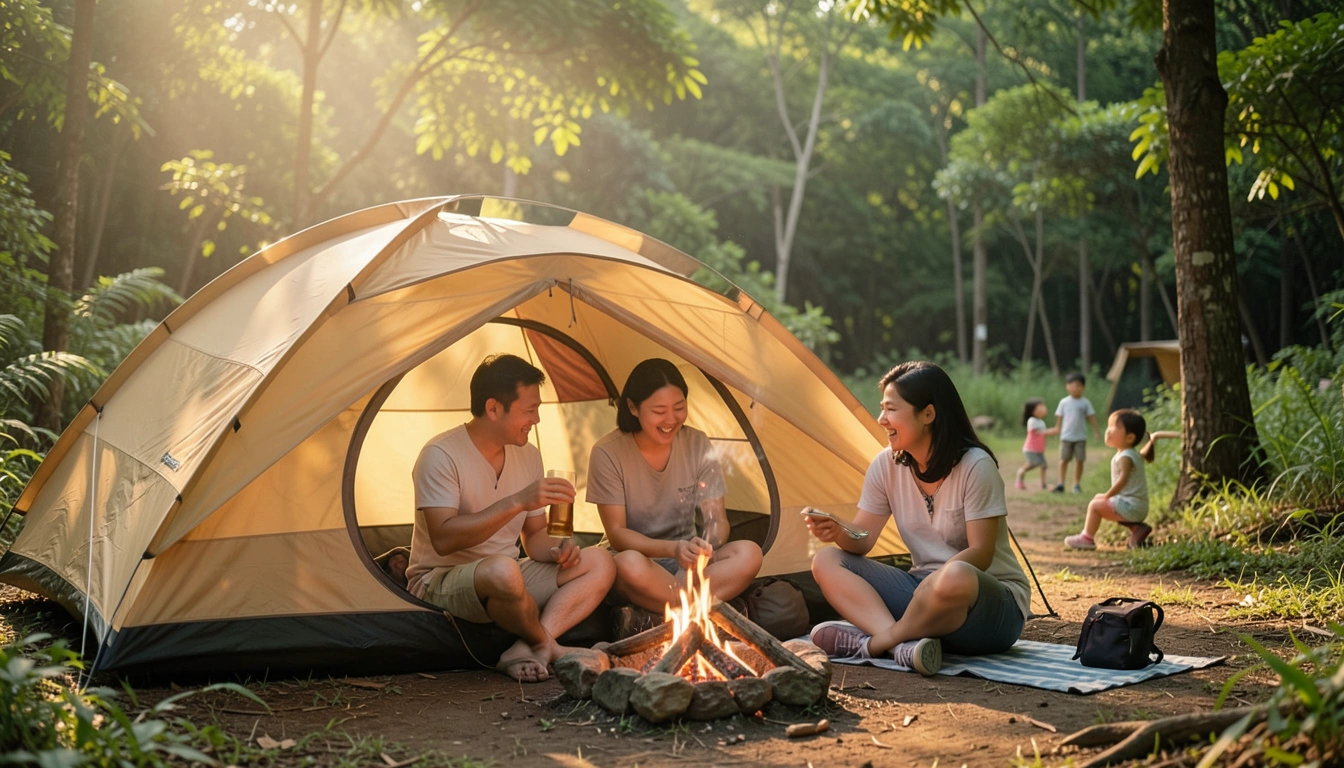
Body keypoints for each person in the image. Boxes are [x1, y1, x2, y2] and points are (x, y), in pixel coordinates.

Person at [806, 361, 1030, 675]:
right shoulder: (886, 465)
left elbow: (981, 553)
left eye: (891, 410)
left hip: (989, 608)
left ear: (928, 414)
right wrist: (838, 531)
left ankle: (877, 643)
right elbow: (863, 540)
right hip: (922, 596)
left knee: (955, 576)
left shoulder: (975, 466)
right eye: (881, 409)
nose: (882, 420)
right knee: (827, 560)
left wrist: (935, 584)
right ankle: (904, 647)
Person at [404, 354, 616, 683]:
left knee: (600, 561)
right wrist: (517, 500)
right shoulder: (441, 455)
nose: (537, 419)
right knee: (503, 572)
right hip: (440, 579)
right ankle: (550, 646)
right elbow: (443, 539)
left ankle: (527, 646)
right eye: (529, 410)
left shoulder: (527, 454)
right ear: (493, 408)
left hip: (508, 575)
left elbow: (534, 538)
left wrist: (560, 548)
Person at [587, 358, 763, 618]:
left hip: (689, 563)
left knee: (750, 553)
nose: (671, 419)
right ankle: (700, 611)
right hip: (641, 561)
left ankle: (666, 613)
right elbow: (617, 534)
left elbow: (717, 519)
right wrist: (673, 549)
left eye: (679, 408)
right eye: (659, 411)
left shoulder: (697, 443)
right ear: (633, 408)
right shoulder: (607, 452)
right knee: (627, 564)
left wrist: (705, 549)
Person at [1065, 409, 1157, 550]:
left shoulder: (1126, 456)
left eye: (1114, 427)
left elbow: (1123, 479)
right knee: (1103, 503)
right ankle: (1138, 530)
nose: (1108, 431)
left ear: (1130, 438)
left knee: (1095, 506)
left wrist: (1107, 495)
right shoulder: (1131, 453)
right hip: (1136, 506)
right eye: (1108, 426)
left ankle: (1087, 538)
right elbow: (1142, 454)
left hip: (1131, 506)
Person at [1051, 372, 1100, 494]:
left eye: (1078, 385)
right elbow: (1059, 417)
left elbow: (1091, 417)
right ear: (1067, 386)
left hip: (1080, 437)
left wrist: (1096, 431)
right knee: (1063, 459)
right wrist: (1057, 428)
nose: (1075, 388)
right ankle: (1061, 483)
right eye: (1071, 385)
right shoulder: (1064, 402)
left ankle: (1076, 484)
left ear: (1083, 387)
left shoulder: (1085, 403)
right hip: (1066, 436)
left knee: (1080, 460)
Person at [1015, 398, 1055, 491]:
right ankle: (1020, 473)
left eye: (1043, 406)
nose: (1043, 409)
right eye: (1040, 407)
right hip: (1030, 449)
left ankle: (1043, 485)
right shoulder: (1032, 421)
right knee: (1033, 464)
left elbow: (1043, 434)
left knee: (1043, 465)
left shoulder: (1041, 422)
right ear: (1032, 411)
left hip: (1039, 449)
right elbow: (1039, 432)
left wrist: (1051, 433)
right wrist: (1051, 431)